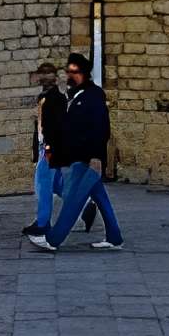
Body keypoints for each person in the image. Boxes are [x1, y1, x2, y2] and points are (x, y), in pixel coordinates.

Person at [28, 52, 122, 252]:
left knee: (73, 201)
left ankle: (53, 239)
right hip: (77, 157)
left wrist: (97, 156)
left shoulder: (94, 95)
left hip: (89, 158)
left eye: (74, 72)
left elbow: (101, 128)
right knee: (101, 199)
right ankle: (114, 237)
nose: (70, 75)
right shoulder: (74, 96)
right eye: (68, 71)